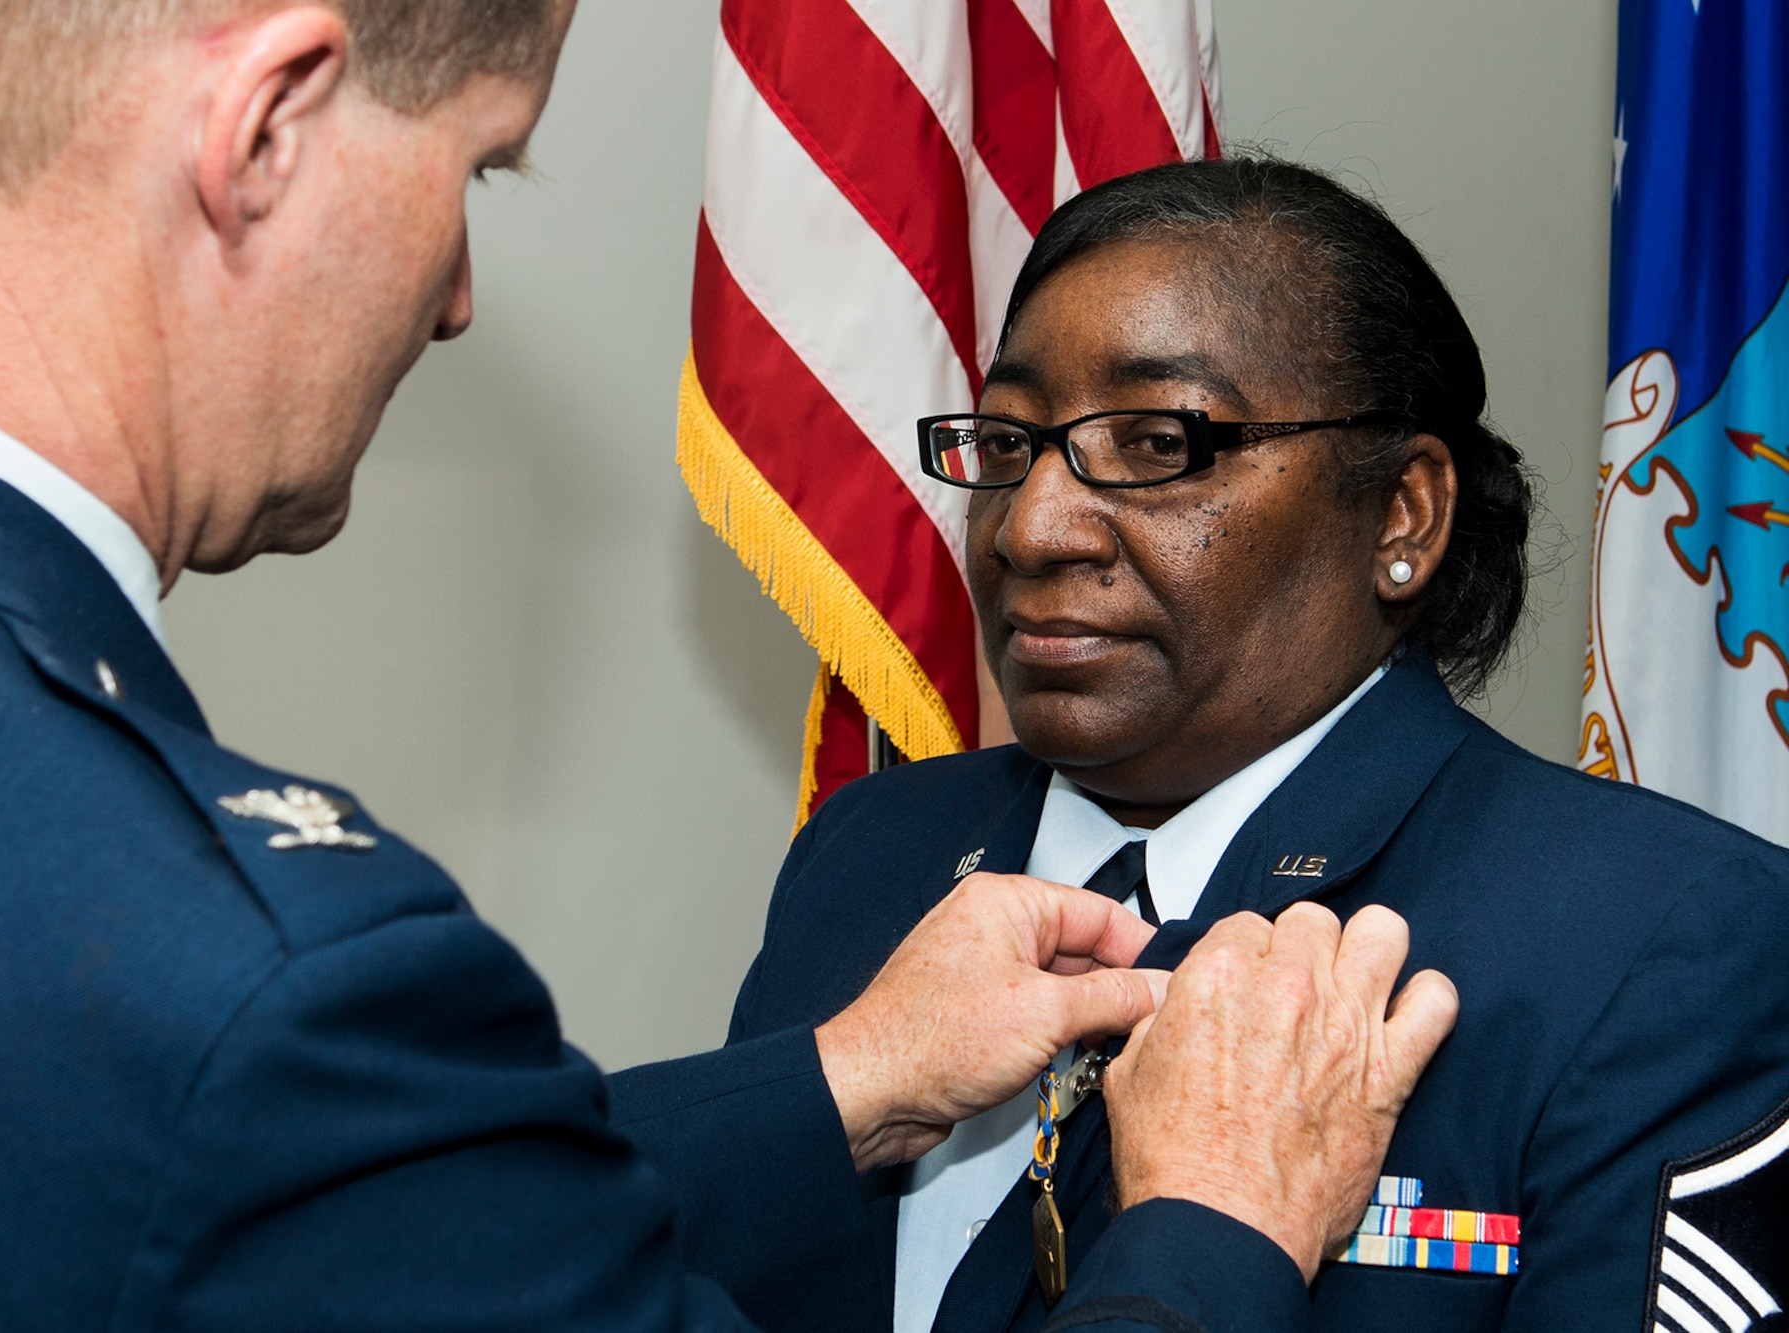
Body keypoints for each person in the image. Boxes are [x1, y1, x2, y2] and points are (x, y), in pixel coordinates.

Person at [0, 5, 1458, 1332]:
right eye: (481, 171)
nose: (454, 295)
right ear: (269, 122)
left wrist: (833, 1082)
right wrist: (1212, 1234)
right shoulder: (260, 968)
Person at [615, 156, 1789, 1333]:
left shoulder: (1658, 936)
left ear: (1401, 515)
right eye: (1008, 444)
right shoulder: (871, 851)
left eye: (1157, 442)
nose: (1030, 526)